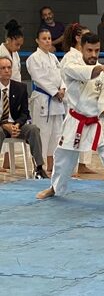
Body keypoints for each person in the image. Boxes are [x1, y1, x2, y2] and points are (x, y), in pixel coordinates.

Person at [36, 33, 104, 208]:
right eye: (89, 50)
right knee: (63, 155)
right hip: (76, 119)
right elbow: (81, 73)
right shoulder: (71, 65)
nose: (94, 54)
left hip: (98, 121)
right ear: (82, 49)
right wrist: (99, 69)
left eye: (97, 50)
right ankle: (55, 188)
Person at [0, 56, 49, 179]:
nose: (7, 70)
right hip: (1, 126)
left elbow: (25, 113)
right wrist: (4, 125)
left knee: (33, 129)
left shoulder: (20, 87)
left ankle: (39, 168)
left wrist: (16, 125)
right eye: (3, 68)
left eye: (9, 68)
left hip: (16, 124)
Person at [26, 28, 66, 174]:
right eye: (44, 38)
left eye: (49, 38)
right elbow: (39, 78)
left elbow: (61, 76)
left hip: (56, 100)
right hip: (43, 99)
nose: (48, 41)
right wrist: (55, 92)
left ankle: (53, 165)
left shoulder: (53, 57)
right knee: (42, 134)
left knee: (57, 134)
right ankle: (39, 167)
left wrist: (62, 89)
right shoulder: (33, 58)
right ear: (37, 41)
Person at [61, 23, 97, 175]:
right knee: (71, 138)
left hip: (88, 103)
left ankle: (83, 164)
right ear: (78, 38)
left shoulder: (86, 56)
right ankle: (70, 168)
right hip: (74, 102)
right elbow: (65, 75)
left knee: (87, 135)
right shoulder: (70, 57)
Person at [0, 20, 24, 171]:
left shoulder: (15, 55)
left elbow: (18, 76)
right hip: (2, 92)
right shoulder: (0, 53)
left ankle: (7, 161)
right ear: (9, 40)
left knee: (13, 125)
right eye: (17, 45)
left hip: (14, 93)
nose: (18, 48)